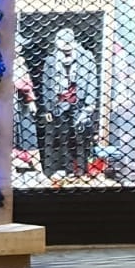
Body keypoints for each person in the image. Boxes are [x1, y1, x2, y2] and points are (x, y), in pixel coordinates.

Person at [38, 27, 99, 179]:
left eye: (68, 43)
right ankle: (55, 171)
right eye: (62, 44)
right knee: (57, 137)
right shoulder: (51, 60)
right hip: (57, 104)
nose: (65, 48)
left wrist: (90, 105)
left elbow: (92, 81)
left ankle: (80, 171)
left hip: (80, 101)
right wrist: (47, 109)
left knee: (79, 138)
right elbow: (45, 85)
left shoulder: (86, 57)